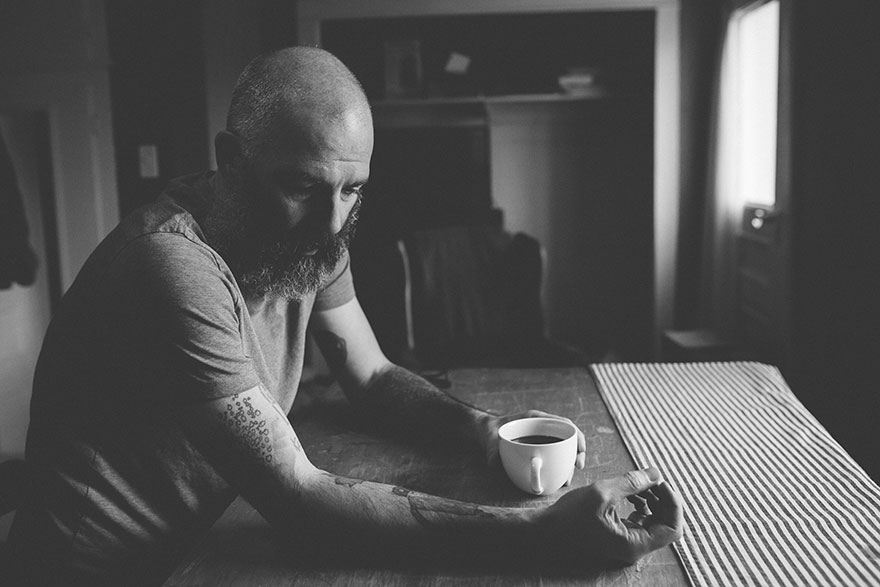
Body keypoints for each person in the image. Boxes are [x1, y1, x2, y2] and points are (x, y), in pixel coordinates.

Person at [6, 47, 683, 586]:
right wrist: (542, 531)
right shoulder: (171, 265)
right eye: (300, 185)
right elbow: (298, 499)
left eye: (352, 188)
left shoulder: (313, 237)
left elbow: (373, 375)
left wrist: (483, 429)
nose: (331, 223)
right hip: (113, 572)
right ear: (230, 159)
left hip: (211, 540)